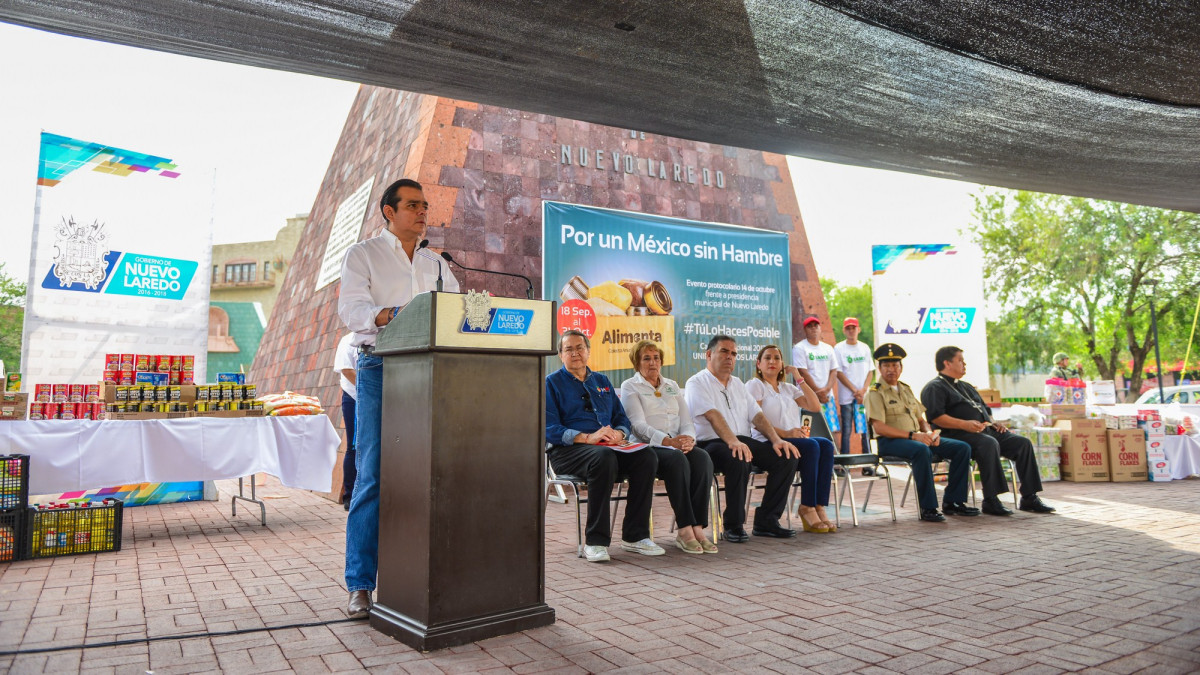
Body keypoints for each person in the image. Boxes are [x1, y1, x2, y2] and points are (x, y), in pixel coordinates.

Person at [338, 178, 460, 618]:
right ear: (389, 212)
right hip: (381, 369)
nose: (422, 212)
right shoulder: (363, 255)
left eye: (425, 206)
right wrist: (389, 314)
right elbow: (351, 312)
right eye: (412, 205)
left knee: (432, 471)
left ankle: (431, 575)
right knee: (373, 473)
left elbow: (456, 313)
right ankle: (360, 584)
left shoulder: (437, 265)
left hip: (432, 372)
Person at [546, 330, 664, 562]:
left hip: (607, 447)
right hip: (567, 452)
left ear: (588, 351)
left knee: (646, 456)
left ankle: (635, 536)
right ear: (560, 355)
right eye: (568, 349)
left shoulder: (601, 381)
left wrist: (619, 433)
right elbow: (548, 428)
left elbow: (622, 418)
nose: (575, 353)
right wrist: (586, 437)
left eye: (580, 347)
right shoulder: (551, 383)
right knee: (603, 457)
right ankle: (596, 541)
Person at [686, 335, 800, 542]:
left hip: (740, 440)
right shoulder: (697, 382)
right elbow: (713, 415)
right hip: (711, 443)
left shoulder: (737, 383)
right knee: (739, 456)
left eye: (734, 353)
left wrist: (776, 440)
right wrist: (733, 441)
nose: (730, 357)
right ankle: (733, 525)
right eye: (724, 351)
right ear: (709, 354)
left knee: (786, 456)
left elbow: (757, 415)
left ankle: (767, 520)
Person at [921, 346, 1056, 517]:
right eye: (960, 360)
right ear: (947, 363)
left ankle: (1029, 497)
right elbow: (936, 417)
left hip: (983, 431)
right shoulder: (934, 387)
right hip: (956, 435)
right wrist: (965, 424)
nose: (964, 364)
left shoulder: (966, 386)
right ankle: (991, 499)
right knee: (989, 443)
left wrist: (994, 423)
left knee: (1022, 443)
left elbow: (984, 410)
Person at [619, 340, 718, 554]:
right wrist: (666, 441)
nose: (652, 362)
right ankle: (684, 529)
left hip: (676, 445)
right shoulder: (630, 386)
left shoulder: (672, 385)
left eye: (656, 358)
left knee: (702, 458)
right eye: (646, 358)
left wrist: (689, 439)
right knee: (677, 460)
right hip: (648, 448)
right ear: (637, 362)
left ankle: (698, 527)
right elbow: (637, 425)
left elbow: (686, 421)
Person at [865, 343, 977, 523]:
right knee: (921, 450)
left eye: (895, 365)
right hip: (890, 442)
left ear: (901, 367)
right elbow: (879, 428)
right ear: (879, 368)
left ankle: (954, 502)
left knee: (962, 448)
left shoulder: (906, 389)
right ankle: (929, 507)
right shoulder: (875, 393)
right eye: (886, 365)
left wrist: (930, 434)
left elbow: (921, 419)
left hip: (915, 440)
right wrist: (913, 436)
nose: (891, 369)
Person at [745, 345, 838, 533]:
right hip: (767, 441)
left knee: (826, 445)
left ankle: (819, 505)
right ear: (759, 364)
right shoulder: (755, 385)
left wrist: (798, 377)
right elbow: (755, 421)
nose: (772, 361)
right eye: (767, 358)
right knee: (812, 446)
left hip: (794, 441)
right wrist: (786, 434)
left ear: (782, 364)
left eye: (777, 358)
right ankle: (807, 506)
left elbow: (815, 407)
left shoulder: (788, 388)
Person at [793, 316, 841, 446]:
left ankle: (835, 463)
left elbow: (834, 371)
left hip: (827, 398)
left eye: (816, 325)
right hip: (807, 399)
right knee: (806, 432)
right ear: (805, 330)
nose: (813, 328)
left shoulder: (828, 348)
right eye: (810, 326)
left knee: (832, 430)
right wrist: (816, 392)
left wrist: (826, 390)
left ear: (820, 329)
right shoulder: (800, 348)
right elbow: (802, 372)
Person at [834, 317, 874, 455]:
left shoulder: (864, 347)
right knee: (846, 431)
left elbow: (870, 371)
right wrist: (854, 390)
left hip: (862, 398)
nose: (851, 331)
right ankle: (845, 462)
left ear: (859, 329)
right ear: (844, 330)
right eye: (848, 328)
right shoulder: (839, 348)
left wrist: (863, 391)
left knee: (865, 431)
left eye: (854, 328)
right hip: (847, 397)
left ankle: (868, 463)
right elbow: (838, 372)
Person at [333, 332, 358, 511]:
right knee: (353, 445)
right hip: (353, 396)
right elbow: (346, 369)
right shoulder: (347, 340)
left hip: (374, 396)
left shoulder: (377, 336)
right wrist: (367, 387)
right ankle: (349, 495)